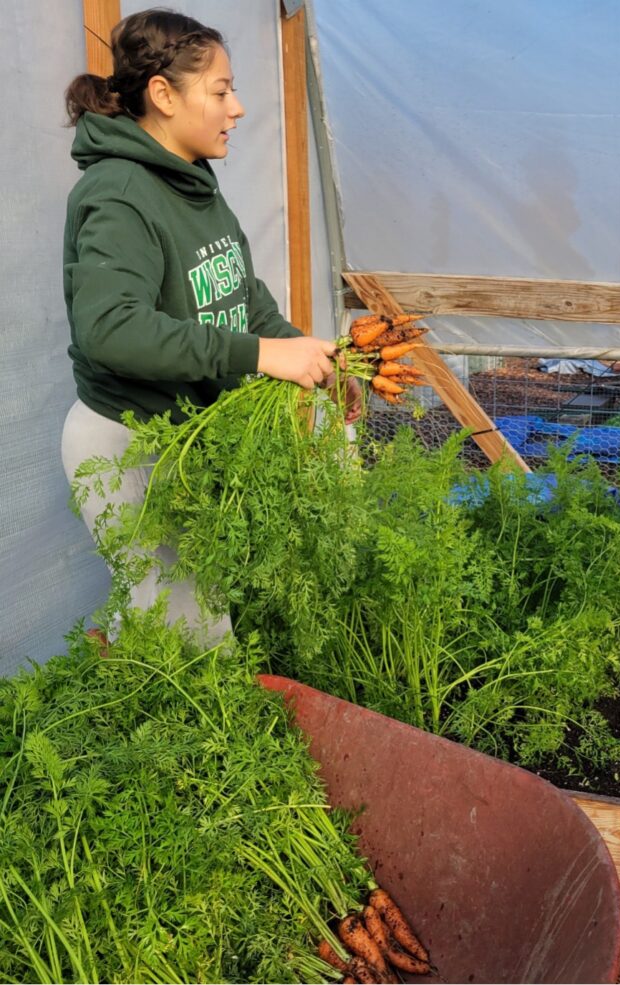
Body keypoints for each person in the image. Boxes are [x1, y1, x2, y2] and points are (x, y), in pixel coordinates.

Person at [61, 9, 360, 638]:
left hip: (186, 438)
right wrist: (258, 357)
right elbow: (111, 328)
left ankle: (125, 662)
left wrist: (308, 355)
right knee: (196, 645)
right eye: (221, 91)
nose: (239, 108)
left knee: (175, 618)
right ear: (163, 95)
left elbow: (240, 293)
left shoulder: (194, 178)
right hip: (128, 446)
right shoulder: (119, 192)